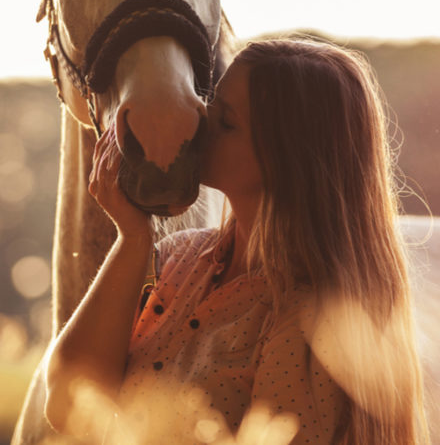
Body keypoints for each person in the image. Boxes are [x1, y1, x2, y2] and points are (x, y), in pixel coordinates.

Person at [44, 39, 430, 444]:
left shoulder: (308, 319)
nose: (199, 123)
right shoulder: (180, 258)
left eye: (226, 122)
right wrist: (132, 238)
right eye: (209, 103)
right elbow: (66, 405)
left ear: (286, 160)